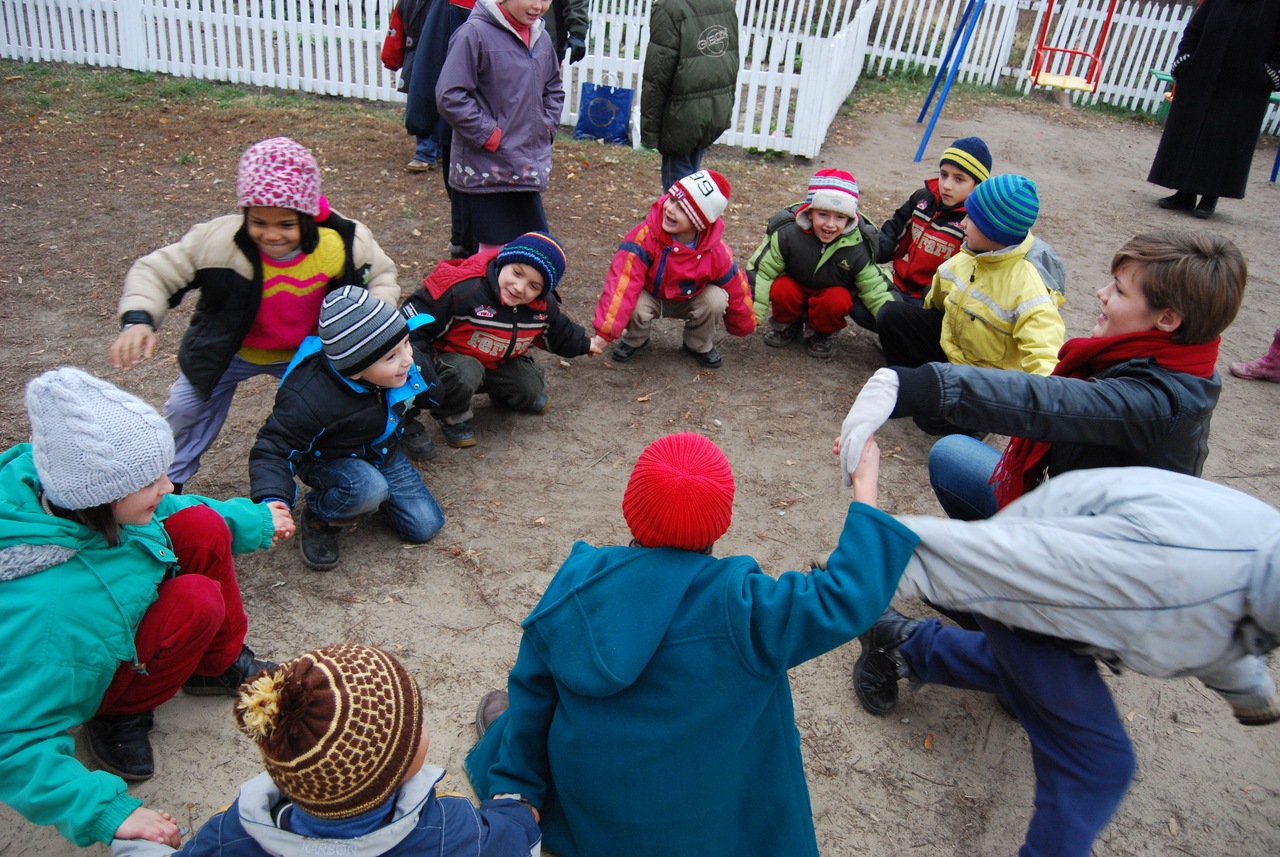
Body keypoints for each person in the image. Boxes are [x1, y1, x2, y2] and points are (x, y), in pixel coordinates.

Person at [464, 432, 920, 857]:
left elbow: (534, 689)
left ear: (631, 508)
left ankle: (518, 776)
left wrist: (516, 784)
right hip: (705, 811)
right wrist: (865, 485)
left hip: (594, 808)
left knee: (525, 712)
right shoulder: (748, 608)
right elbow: (846, 595)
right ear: (719, 523)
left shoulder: (578, 583)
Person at [850, 464, 1280, 857]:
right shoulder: (1178, 568)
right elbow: (1012, 558)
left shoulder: (1254, 561)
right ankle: (904, 643)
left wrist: (1250, 692)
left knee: (1039, 683)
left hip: (1076, 574)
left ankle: (900, 643)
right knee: (1096, 765)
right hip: (1037, 584)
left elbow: (1223, 629)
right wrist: (875, 567)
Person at [0, 368, 288, 849]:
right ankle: (119, 714)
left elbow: (174, 508)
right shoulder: (50, 616)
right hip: (95, 666)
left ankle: (212, 667)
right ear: (101, 498)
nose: (166, 484)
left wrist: (250, 518)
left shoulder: (67, 489)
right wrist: (105, 812)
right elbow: (14, 740)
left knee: (201, 523)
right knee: (196, 601)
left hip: (115, 603)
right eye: (150, 479)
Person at [836, 230, 1247, 522]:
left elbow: (1049, 402)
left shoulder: (1158, 403)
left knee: (924, 565)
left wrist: (916, 386)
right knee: (952, 453)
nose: (1101, 294)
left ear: (1168, 319)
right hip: (1064, 500)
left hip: (1093, 551)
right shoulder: (1167, 359)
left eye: (1120, 291)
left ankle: (1013, 610)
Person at [107, 137, 410, 491]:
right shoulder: (218, 241)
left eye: (286, 224)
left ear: (309, 216)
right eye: (259, 221)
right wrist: (139, 318)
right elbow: (157, 270)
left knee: (353, 394)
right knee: (185, 409)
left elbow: (382, 277)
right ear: (245, 212)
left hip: (309, 351)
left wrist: (372, 332)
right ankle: (170, 480)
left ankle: (353, 454)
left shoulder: (342, 242)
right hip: (231, 350)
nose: (271, 234)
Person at [110, 644, 543, 856]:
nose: (424, 728)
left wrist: (132, 842)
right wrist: (516, 808)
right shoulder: (450, 829)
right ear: (393, 770)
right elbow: (509, 841)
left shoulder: (230, 836)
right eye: (416, 726)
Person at [250, 287, 446, 571]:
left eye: (406, 343)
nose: (407, 358)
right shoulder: (308, 397)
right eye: (391, 356)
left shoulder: (405, 367)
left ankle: (368, 499)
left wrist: (434, 388)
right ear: (355, 369)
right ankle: (321, 515)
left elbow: (428, 391)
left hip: (383, 449)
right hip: (327, 458)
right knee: (369, 488)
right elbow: (272, 449)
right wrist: (274, 499)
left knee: (426, 525)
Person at [402, 232, 605, 448]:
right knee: (465, 371)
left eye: (534, 286)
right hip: (452, 363)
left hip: (497, 361)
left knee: (530, 387)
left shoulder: (541, 308)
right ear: (504, 261)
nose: (519, 287)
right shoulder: (463, 289)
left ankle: (502, 395)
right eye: (517, 273)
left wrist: (586, 344)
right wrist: (419, 369)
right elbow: (416, 325)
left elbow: (558, 331)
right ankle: (451, 414)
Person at [875, 173, 1066, 382]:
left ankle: (939, 407)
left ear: (994, 231)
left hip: (986, 380)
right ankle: (910, 386)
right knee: (892, 315)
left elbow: (1046, 360)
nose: (962, 223)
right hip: (953, 353)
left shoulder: (1030, 288)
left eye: (971, 218)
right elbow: (932, 306)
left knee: (936, 406)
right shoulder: (963, 259)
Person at [436, 0, 565, 253]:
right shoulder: (474, 34)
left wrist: (546, 126)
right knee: (488, 258)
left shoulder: (542, 38)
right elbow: (450, 95)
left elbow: (553, 89)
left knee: (531, 252)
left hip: (524, 171)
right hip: (486, 173)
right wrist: (489, 135)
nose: (539, 6)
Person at [594, 169, 756, 369]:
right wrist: (605, 332)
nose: (670, 208)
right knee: (631, 298)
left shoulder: (715, 251)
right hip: (650, 295)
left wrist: (744, 323)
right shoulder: (644, 237)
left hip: (691, 298)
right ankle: (635, 338)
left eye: (682, 208)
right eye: (671, 199)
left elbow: (736, 286)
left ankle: (697, 343)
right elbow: (622, 283)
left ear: (700, 222)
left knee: (717, 299)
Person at [1147, 0, 1280, 219]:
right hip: (1202, 75)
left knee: (1223, 140)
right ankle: (1184, 192)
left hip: (1245, 86)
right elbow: (1194, 30)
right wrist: (1186, 58)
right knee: (1191, 133)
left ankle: (1210, 197)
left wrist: (1270, 73)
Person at [750, 169, 894, 359]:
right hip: (796, 284)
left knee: (838, 299)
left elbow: (874, 286)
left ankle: (820, 332)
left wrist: (893, 323)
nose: (830, 224)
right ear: (810, 212)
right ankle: (786, 324)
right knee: (782, 288)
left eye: (840, 217)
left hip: (830, 292)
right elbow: (763, 271)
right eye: (823, 214)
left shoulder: (860, 245)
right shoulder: (787, 232)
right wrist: (752, 315)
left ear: (851, 218)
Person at [876, 136, 992, 304]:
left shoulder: (973, 223)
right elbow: (894, 231)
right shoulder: (923, 199)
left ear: (977, 186)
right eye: (944, 175)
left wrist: (933, 294)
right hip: (899, 283)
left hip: (930, 297)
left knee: (894, 315)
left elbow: (968, 274)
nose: (947, 185)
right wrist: (871, 250)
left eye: (959, 179)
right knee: (858, 303)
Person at [404, 0, 478, 258]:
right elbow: (431, 58)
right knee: (465, 214)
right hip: (462, 131)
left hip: (514, 142)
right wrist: (421, 119)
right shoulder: (456, 4)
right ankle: (464, 255)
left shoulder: (531, 12)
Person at [641, 0, 740, 191]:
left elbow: (658, 74)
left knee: (679, 195)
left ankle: (689, 220)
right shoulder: (724, 3)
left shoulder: (670, 7)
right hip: (711, 106)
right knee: (692, 183)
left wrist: (649, 133)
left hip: (682, 114)